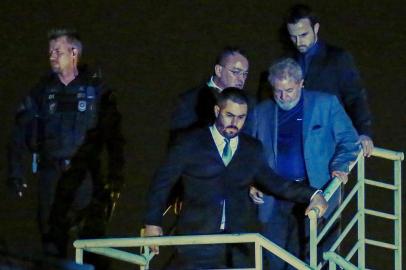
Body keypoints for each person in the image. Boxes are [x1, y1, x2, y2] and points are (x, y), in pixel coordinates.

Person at [144, 88, 328, 270]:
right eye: (229, 115)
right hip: (197, 240)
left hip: (239, 244)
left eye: (241, 118)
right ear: (217, 111)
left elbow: (275, 183)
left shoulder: (251, 148)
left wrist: (313, 195)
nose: (235, 123)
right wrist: (152, 222)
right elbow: (162, 183)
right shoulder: (190, 142)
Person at [7, 29, 125, 269]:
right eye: (50, 51)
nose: (51, 56)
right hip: (52, 174)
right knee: (52, 245)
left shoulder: (96, 90)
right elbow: (19, 131)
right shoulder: (41, 91)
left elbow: (114, 136)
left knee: (93, 243)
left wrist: (115, 176)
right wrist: (15, 170)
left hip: (86, 177)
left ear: (74, 54)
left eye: (57, 51)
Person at [249, 58, 360, 269]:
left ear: (301, 83)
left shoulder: (326, 104)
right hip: (275, 195)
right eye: (277, 91)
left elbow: (349, 140)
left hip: (316, 192)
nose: (283, 96)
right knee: (274, 257)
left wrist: (340, 166)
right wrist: (253, 181)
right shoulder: (261, 112)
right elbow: (250, 152)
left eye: (289, 90)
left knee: (316, 256)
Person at [285, 4, 373, 157]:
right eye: (293, 36)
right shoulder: (288, 61)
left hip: (327, 144)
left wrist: (364, 132)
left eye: (304, 34)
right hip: (294, 144)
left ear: (316, 28)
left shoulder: (338, 58)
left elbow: (355, 96)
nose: (298, 42)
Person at [169, 46, 251, 142]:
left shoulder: (250, 103)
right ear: (219, 70)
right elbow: (178, 141)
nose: (241, 79)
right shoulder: (189, 100)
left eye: (244, 74)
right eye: (236, 72)